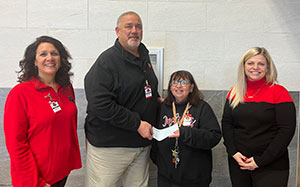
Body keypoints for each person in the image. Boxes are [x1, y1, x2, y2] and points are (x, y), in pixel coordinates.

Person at [84, 11, 159, 187]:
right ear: (117, 31)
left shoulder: (143, 56)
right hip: (110, 147)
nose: (134, 30)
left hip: (140, 144)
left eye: (138, 26)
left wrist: (156, 100)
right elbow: (100, 104)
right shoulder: (107, 62)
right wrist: (137, 124)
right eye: (129, 26)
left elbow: (141, 88)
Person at [3, 36, 82, 187]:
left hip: (61, 172)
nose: (50, 58)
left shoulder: (66, 89)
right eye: (43, 54)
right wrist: (36, 182)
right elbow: (16, 144)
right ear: (34, 61)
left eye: (54, 53)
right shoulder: (20, 93)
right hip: (35, 178)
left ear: (61, 59)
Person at [221, 47, 296, 187]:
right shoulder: (235, 92)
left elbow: (286, 130)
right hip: (240, 163)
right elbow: (227, 123)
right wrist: (233, 152)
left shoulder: (279, 92)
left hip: (271, 166)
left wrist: (260, 161)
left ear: (268, 67)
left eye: (261, 64)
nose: (255, 67)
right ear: (243, 66)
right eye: (250, 63)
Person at [151, 70, 222, 187]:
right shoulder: (162, 107)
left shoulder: (202, 107)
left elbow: (214, 136)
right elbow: (153, 136)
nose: (178, 86)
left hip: (195, 177)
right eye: (174, 82)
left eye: (184, 82)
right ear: (170, 87)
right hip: (167, 176)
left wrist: (183, 132)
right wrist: (159, 160)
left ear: (191, 88)